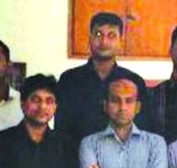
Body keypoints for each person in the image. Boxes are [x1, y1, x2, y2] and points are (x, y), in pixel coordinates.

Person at [56, 12, 148, 144]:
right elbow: (61, 130)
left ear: (120, 41)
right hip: (76, 159)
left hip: (121, 161)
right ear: (89, 39)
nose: (104, 41)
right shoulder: (69, 80)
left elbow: (141, 131)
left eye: (111, 35)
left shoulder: (134, 82)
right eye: (98, 34)